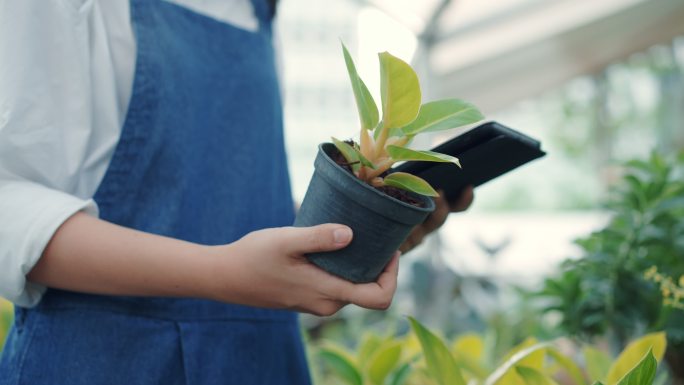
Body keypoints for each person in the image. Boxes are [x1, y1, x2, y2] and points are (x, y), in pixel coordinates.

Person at [0, 0, 473, 384]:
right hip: (107, 362)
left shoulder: (259, 11)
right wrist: (220, 271)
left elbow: (226, 206)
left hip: (263, 361)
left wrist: (354, 237)